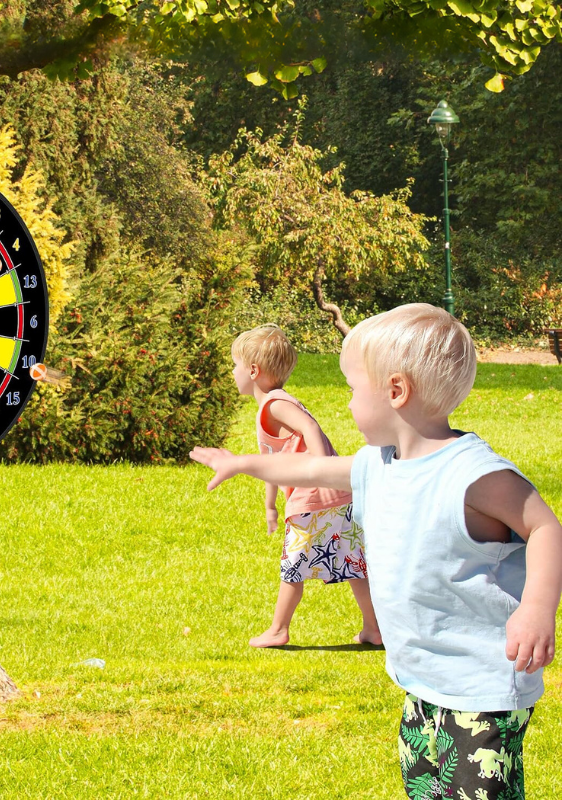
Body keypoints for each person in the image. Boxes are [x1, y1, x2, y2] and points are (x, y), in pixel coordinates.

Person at [192, 304, 562, 799]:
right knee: (426, 788)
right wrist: (243, 463)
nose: (345, 404)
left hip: (480, 683)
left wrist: (537, 610)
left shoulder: (473, 474)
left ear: (395, 391)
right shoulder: (379, 463)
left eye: (351, 390)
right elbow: (309, 471)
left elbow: (545, 527)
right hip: (421, 678)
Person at [230, 324, 380, 648]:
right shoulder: (272, 406)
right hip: (334, 493)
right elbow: (272, 464)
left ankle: (278, 630)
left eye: (235, 365)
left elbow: (311, 428)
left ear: (253, 370)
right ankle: (374, 629)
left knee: (293, 566)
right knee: (352, 561)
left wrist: (322, 470)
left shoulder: (275, 404)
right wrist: (270, 505)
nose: (233, 372)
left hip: (315, 495)